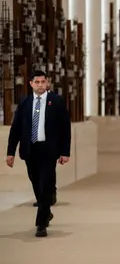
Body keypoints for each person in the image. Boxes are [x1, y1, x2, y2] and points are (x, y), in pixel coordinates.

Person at [5, 70, 71, 237]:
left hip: (49, 150)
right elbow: (16, 128)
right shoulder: (25, 103)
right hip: (30, 149)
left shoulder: (56, 102)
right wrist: (10, 152)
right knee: (35, 181)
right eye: (37, 82)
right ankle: (45, 209)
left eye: (43, 82)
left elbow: (65, 127)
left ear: (47, 83)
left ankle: (41, 224)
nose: (40, 85)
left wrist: (65, 152)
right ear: (31, 84)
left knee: (46, 183)